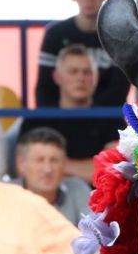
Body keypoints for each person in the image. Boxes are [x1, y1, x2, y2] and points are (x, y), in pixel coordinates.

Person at [35, 0, 128, 109]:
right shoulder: (55, 34)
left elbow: (118, 92)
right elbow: (44, 90)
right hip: (59, 120)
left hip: (104, 122)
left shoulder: (118, 37)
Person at [21, 46, 120, 184]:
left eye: (87, 72)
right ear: (57, 77)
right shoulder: (36, 119)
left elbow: (113, 169)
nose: (80, 78)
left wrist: (57, 165)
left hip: (97, 201)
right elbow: (22, 167)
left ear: (96, 76)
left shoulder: (113, 118)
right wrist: (88, 168)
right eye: (73, 71)